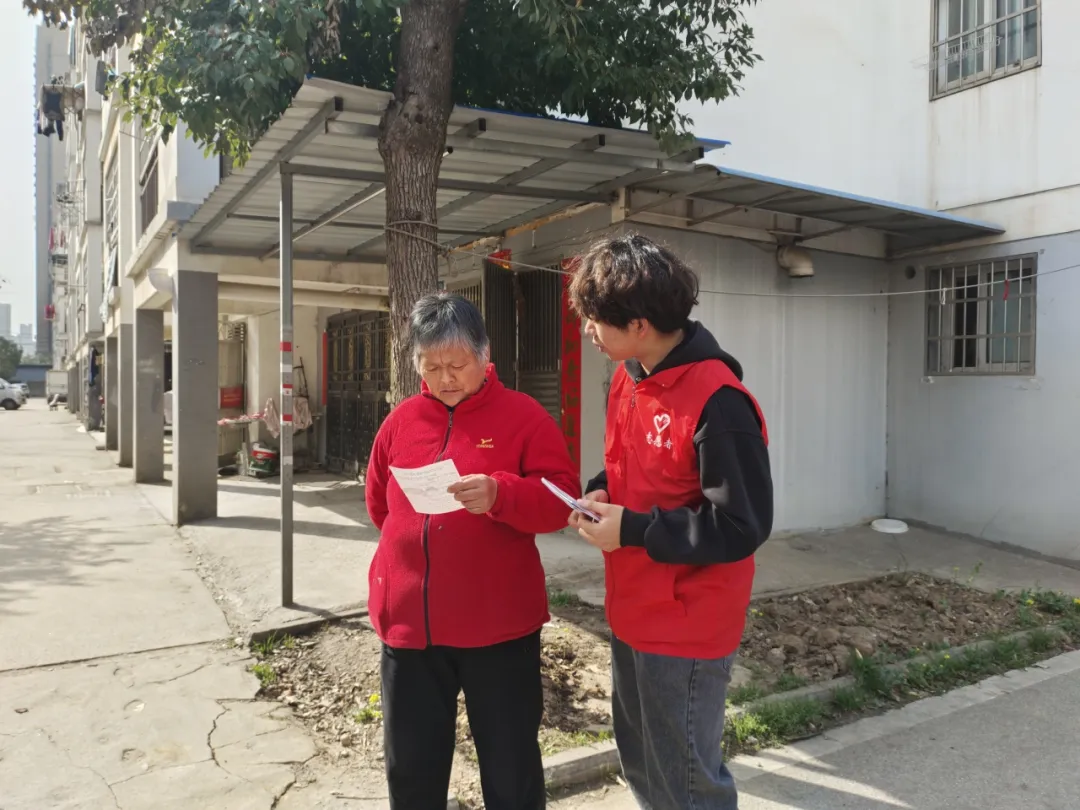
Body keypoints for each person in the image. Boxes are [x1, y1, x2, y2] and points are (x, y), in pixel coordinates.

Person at [566, 234, 773, 810]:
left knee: (686, 781)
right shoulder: (629, 376)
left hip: (686, 623)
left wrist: (631, 530)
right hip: (634, 606)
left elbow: (741, 525)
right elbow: (628, 468)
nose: (587, 329)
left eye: (595, 319)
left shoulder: (719, 401)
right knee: (642, 761)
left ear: (639, 324)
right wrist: (600, 490)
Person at [364, 292, 581, 810]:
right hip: (410, 631)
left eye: (457, 365)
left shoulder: (523, 416)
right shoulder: (401, 422)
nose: (445, 378)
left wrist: (502, 495)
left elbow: (562, 502)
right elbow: (379, 504)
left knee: (510, 772)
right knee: (411, 772)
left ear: (485, 355)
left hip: (497, 631)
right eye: (431, 366)